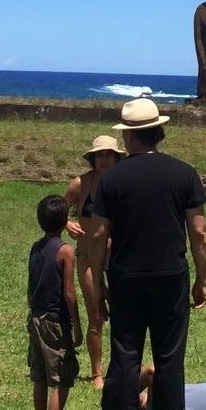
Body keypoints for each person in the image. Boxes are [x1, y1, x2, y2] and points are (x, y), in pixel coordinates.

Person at [86, 98, 206, 410]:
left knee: (125, 353)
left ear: (128, 137)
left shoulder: (112, 180)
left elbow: (97, 235)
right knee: (170, 356)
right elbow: (198, 232)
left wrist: (99, 279)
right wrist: (201, 278)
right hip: (171, 274)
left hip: (126, 275)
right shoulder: (184, 173)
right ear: (158, 132)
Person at [65, 134, 125, 388]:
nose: (103, 159)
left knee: (125, 316)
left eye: (108, 154)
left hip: (119, 258)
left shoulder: (125, 183)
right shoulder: (80, 184)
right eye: (99, 155)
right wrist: (67, 223)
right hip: (88, 257)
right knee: (96, 314)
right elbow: (56, 210)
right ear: (92, 159)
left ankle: (122, 369)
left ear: (117, 157)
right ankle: (97, 372)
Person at [27, 194, 83, 410]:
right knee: (62, 375)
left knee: (39, 375)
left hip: (36, 317)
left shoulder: (36, 248)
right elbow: (69, 293)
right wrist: (77, 325)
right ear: (64, 222)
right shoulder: (66, 251)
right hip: (55, 320)